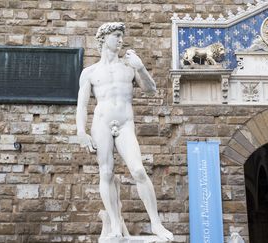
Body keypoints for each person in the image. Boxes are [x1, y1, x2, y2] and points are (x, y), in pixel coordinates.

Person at [76, 22, 174, 241]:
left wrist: (140, 67)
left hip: (125, 123)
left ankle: (156, 224)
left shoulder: (129, 66)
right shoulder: (89, 72)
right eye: (117, 35)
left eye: (122, 36)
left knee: (138, 170)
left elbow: (151, 89)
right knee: (106, 173)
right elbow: (82, 105)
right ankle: (114, 226)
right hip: (101, 123)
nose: (121, 40)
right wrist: (80, 131)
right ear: (103, 38)